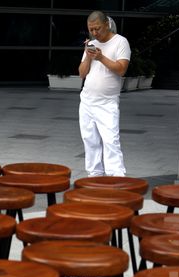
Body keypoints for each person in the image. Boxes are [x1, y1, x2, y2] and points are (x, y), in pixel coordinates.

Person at [78, 11, 131, 177]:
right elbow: (81, 73)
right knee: (89, 140)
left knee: (110, 141)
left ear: (107, 24)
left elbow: (122, 69)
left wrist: (101, 58)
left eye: (97, 29)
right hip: (87, 101)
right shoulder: (92, 44)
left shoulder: (121, 42)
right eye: (91, 29)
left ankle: (116, 177)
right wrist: (88, 56)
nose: (94, 33)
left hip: (107, 103)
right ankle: (94, 175)